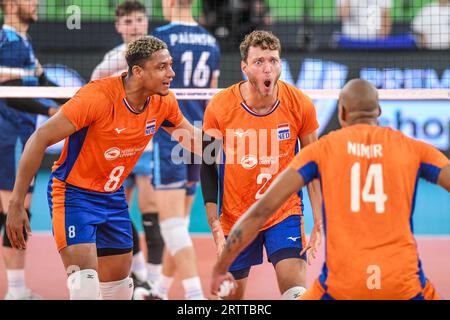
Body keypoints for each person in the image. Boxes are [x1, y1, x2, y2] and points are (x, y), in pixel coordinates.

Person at [211, 79, 450, 300]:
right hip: (405, 284)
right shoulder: (414, 149)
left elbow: (260, 211)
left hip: (341, 286)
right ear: (378, 111)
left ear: (342, 113)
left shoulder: (321, 150)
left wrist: (221, 267)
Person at [6, 36, 201, 300]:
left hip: (112, 198)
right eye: (162, 67)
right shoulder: (96, 97)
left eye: (170, 65)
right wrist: (17, 203)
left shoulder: (163, 102)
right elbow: (39, 139)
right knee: (84, 287)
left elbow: (194, 140)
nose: (171, 73)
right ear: (138, 72)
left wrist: (239, 148)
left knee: (119, 292)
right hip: (74, 196)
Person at [202, 30, 323, 300]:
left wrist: (319, 220)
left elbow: (312, 164)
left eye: (273, 61)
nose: (268, 68)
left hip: (284, 211)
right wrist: (214, 225)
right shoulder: (221, 106)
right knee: (231, 299)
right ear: (245, 67)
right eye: (259, 62)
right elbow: (208, 166)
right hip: (236, 218)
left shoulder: (299, 103)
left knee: (295, 290)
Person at [147, 0, 220, 300]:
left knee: (171, 224)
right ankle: (159, 291)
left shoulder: (161, 38)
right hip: (200, 136)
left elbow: (150, 86)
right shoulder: (211, 42)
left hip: (171, 134)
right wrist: (210, 143)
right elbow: (212, 100)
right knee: (180, 223)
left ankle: (195, 296)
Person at [91, 0, 165, 293]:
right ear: (119, 26)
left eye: (139, 20)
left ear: (146, 23)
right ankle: (141, 276)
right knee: (118, 212)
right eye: (129, 21)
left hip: (145, 147)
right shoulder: (110, 62)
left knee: (151, 212)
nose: (135, 26)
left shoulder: (158, 57)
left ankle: (155, 284)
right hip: (115, 150)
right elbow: (92, 87)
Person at [0, 0, 60, 300]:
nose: (36, 3)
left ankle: (18, 290)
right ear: (10, 4)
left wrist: (76, 103)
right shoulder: (6, 40)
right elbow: (11, 98)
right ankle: (16, 292)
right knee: (15, 211)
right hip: (7, 137)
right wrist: (51, 111)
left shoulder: (23, 41)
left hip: (23, 137)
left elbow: (41, 81)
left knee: (18, 212)